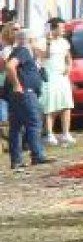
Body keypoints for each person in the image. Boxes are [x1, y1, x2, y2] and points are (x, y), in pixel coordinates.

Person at [2, 24, 48, 169]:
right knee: (34, 123)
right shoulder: (22, 51)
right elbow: (10, 67)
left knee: (16, 127)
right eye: (34, 40)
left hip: (17, 95)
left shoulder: (20, 52)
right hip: (25, 93)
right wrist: (17, 85)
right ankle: (37, 155)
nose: (36, 43)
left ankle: (16, 160)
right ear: (29, 40)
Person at [41, 19, 74, 146]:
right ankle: (49, 134)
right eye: (61, 28)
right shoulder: (43, 41)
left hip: (62, 77)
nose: (63, 30)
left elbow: (69, 58)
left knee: (66, 105)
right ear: (53, 28)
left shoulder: (64, 42)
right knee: (50, 106)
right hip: (49, 77)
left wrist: (69, 67)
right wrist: (48, 42)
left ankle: (66, 133)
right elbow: (46, 56)